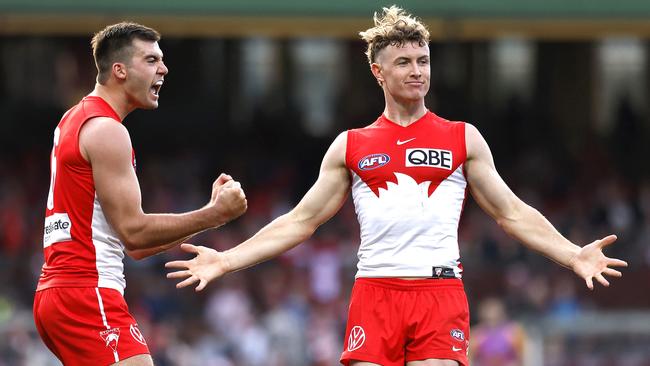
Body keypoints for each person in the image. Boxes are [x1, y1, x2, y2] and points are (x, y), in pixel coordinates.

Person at [166, 6, 627, 366]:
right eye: (403, 62)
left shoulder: (461, 137)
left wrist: (572, 254)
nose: (416, 71)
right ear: (378, 73)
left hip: (439, 294)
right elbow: (299, 222)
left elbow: (511, 212)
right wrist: (226, 259)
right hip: (375, 292)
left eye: (423, 61)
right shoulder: (351, 146)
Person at [34, 22, 247, 366]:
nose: (163, 68)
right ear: (119, 70)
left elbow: (135, 247)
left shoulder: (75, 118)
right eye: (150, 60)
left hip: (61, 291)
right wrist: (217, 214)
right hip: (87, 292)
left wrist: (210, 213)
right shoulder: (107, 130)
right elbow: (134, 234)